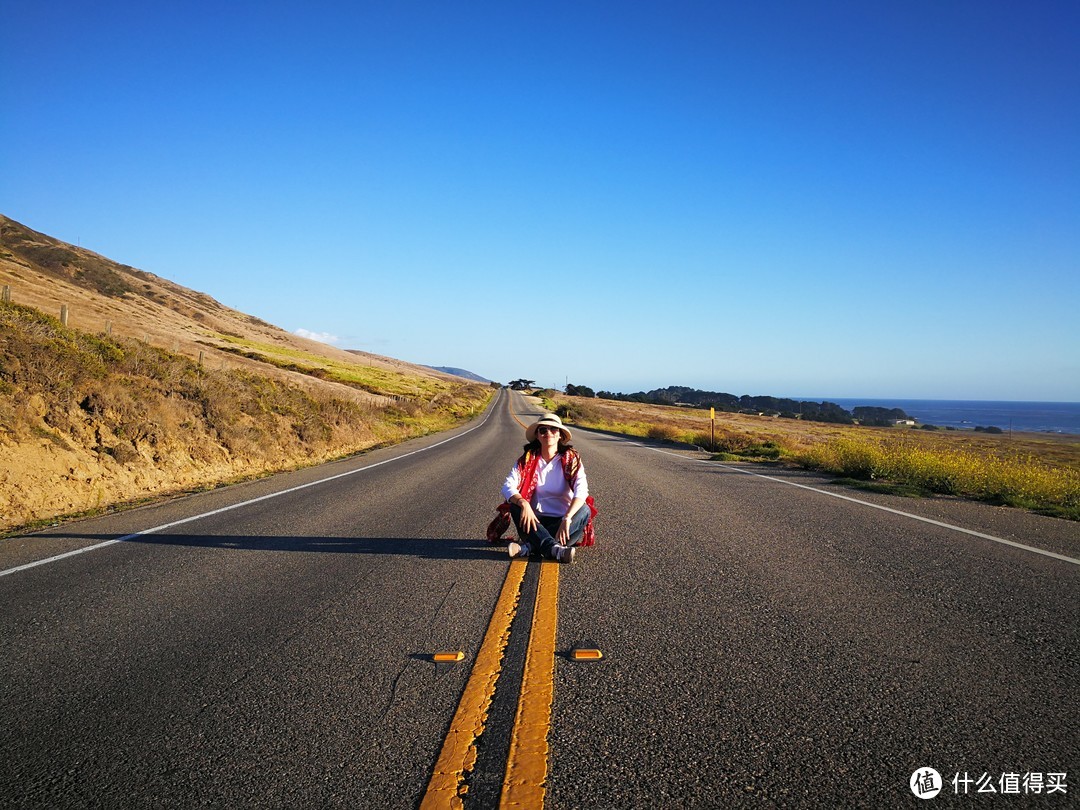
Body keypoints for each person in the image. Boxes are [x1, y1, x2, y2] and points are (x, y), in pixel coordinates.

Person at [501, 413, 592, 564]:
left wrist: (567, 517)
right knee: (515, 505)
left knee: (584, 510)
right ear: (537, 435)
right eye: (543, 430)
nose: (548, 433)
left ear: (560, 435)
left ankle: (530, 547)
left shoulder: (572, 460)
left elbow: (582, 490)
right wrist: (523, 503)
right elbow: (507, 486)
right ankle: (555, 549)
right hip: (534, 522)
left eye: (553, 429)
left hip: (563, 524)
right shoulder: (527, 460)